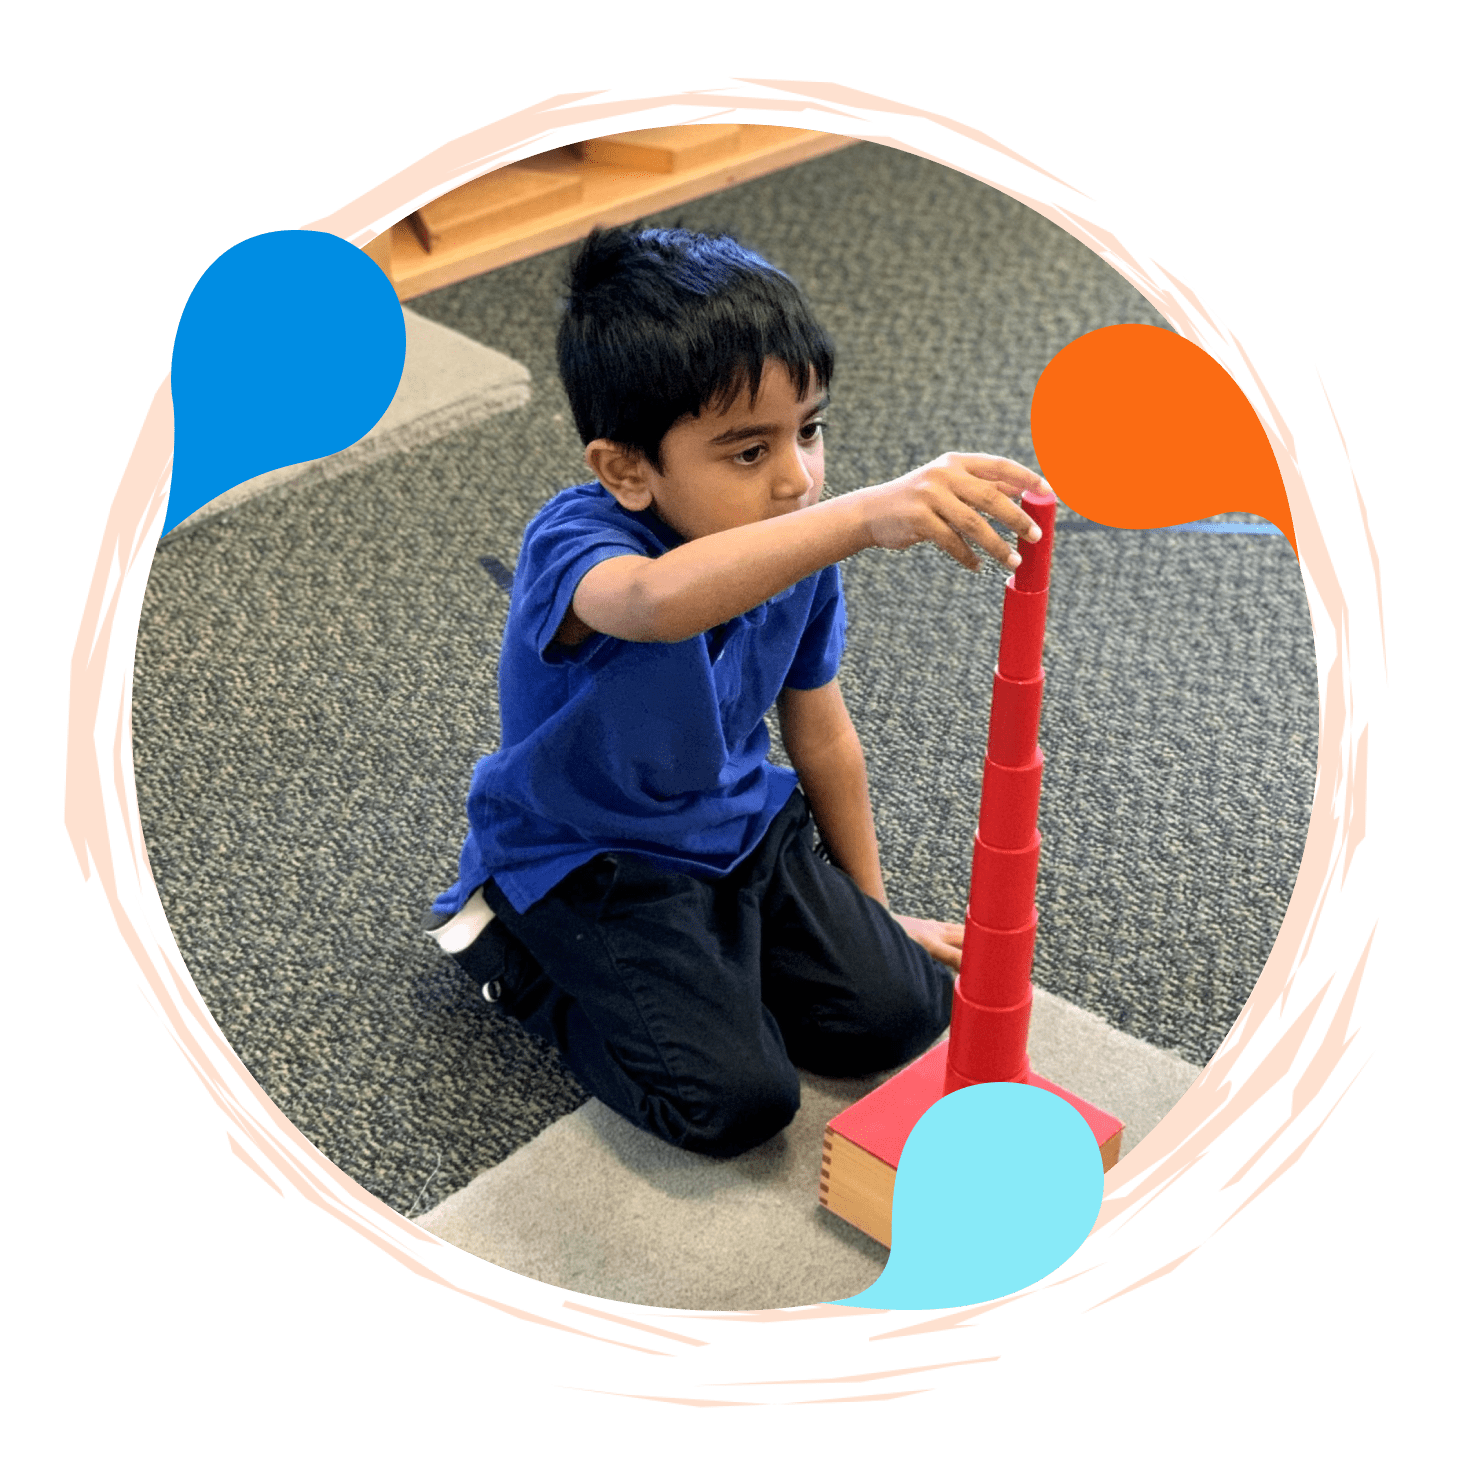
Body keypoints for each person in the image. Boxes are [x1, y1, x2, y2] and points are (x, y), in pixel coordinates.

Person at [425, 224, 1051, 1158]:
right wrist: (861, 516)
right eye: (748, 452)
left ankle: (727, 955)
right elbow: (653, 603)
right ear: (626, 469)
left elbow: (824, 737)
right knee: (734, 1104)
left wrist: (871, 918)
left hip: (741, 829)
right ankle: (510, 954)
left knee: (899, 1015)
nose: (798, 479)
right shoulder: (577, 541)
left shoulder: (799, 549)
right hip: (592, 863)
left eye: (809, 430)